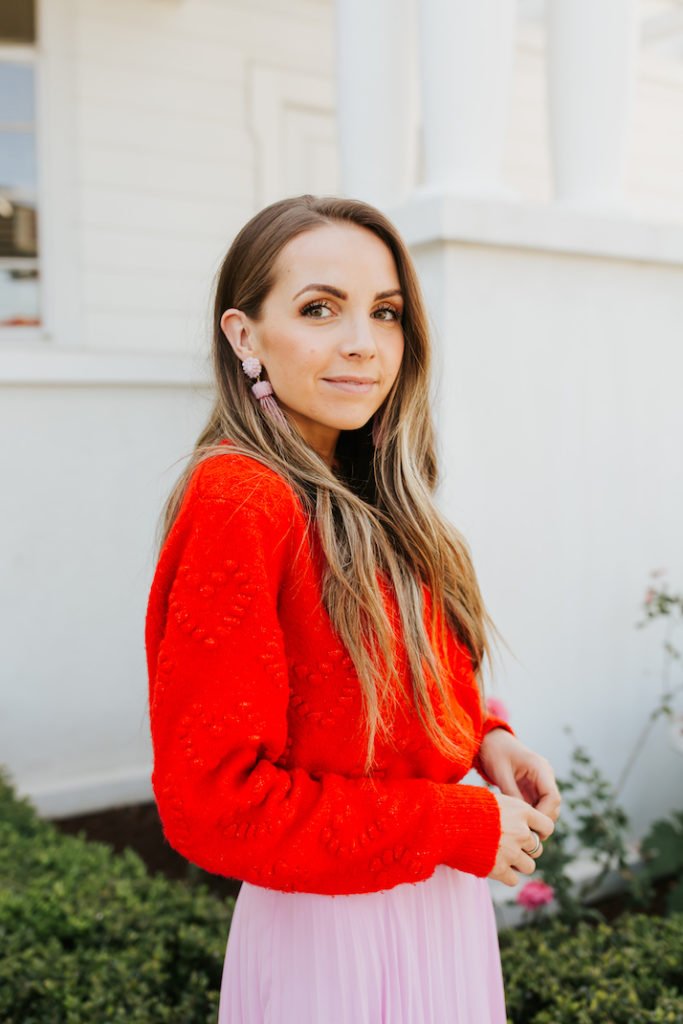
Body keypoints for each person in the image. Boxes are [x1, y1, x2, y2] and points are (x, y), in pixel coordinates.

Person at [145, 194, 561, 1023]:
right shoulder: (241, 500)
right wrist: (452, 822)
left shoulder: (369, 490)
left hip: (438, 917)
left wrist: (484, 734)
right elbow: (213, 803)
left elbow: (376, 687)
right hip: (328, 942)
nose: (362, 345)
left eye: (385, 312)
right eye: (318, 309)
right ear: (243, 334)